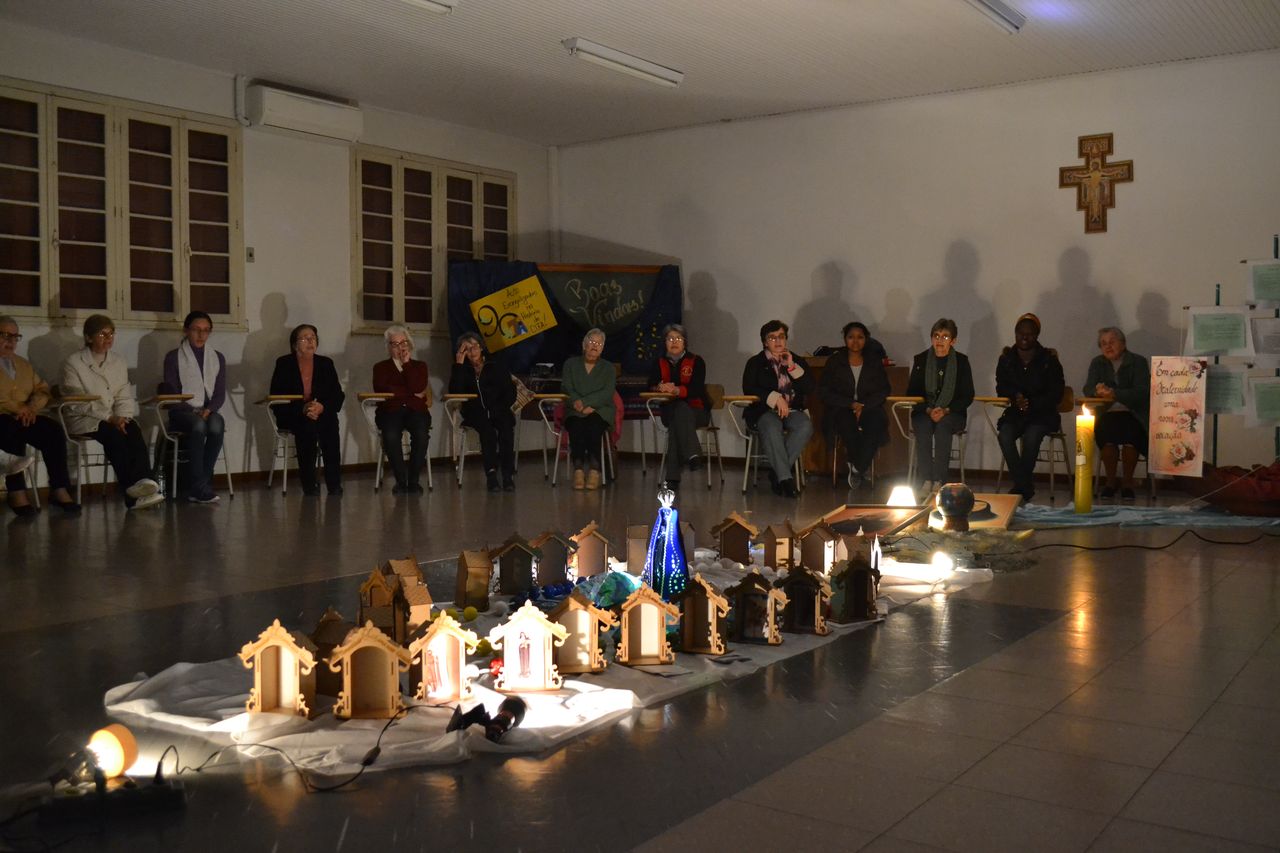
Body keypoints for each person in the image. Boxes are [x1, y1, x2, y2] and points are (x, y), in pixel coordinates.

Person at [60, 314, 163, 510]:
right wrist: (109, 417)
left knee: (133, 429)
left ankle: (145, 483)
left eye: (111, 334)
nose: (108, 338)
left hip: (114, 417)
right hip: (85, 418)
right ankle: (131, 494)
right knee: (113, 436)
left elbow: (123, 394)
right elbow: (76, 401)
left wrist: (123, 417)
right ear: (89, 337)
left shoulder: (118, 361)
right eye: (102, 334)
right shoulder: (73, 362)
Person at [0, 315, 79, 515]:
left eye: (15, 337)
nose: (10, 341)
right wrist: (17, 409)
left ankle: (59, 489)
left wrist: (32, 408)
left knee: (53, 431)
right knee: (11, 429)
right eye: (5, 335)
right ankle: (16, 492)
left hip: (24, 415)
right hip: (3, 417)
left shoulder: (23, 365)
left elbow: (42, 390)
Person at [995, 313, 1065, 503]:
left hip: (1042, 414)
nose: (1024, 337)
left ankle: (1021, 487)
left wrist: (1031, 403)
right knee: (1004, 435)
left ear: (1037, 335)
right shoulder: (1006, 358)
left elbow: (1056, 392)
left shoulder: (1049, 359)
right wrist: (1016, 397)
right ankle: (1024, 486)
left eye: (1030, 334)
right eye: (1020, 333)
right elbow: (1001, 387)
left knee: (1032, 436)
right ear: (1015, 333)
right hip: (1016, 412)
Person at [269, 324, 345, 496]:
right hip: (293, 412)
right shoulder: (284, 363)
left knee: (330, 426)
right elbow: (277, 397)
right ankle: (309, 485)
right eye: (304, 338)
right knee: (307, 428)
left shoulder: (326, 363)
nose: (310, 341)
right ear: (295, 344)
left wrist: (322, 406)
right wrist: (303, 408)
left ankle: (334, 484)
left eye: (313, 338)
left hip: (321, 412)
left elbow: (337, 395)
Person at [161, 311, 227, 504]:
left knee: (217, 424)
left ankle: (200, 485)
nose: (201, 335)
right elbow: (172, 395)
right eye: (196, 330)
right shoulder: (173, 357)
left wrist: (208, 409)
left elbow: (219, 393)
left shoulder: (217, 358)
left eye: (206, 330)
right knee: (198, 425)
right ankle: (200, 486)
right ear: (186, 331)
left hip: (207, 411)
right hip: (182, 412)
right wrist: (194, 410)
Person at [742, 320, 813, 497]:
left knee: (805, 426)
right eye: (772, 338)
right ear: (765, 342)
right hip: (764, 411)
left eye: (781, 336)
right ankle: (786, 479)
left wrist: (791, 366)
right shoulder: (755, 362)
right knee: (772, 426)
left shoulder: (796, 360)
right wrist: (775, 398)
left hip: (793, 410)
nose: (778, 341)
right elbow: (749, 388)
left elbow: (810, 387)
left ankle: (778, 473)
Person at [905, 318, 975, 493]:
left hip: (953, 413)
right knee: (923, 426)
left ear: (953, 341)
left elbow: (967, 396)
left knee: (943, 426)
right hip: (924, 411)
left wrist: (946, 410)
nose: (940, 341)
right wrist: (928, 410)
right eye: (936, 336)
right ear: (931, 338)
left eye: (945, 337)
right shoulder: (921, 360)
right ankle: (925, 479)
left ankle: (939, 480)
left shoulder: (961, 361)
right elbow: (912, 394)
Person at [818, 321, 889, 488]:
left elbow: (884, 389)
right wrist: (851, 404)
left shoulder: (873, 361)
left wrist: (863, 406)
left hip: (869, 407)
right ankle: (860, 466)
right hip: (841, 407)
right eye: (851, 337)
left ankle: (857, 467)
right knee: (846, 423)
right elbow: (824, 391)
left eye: (860, 337)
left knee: (877, 422)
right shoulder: (835, 361)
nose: (855, 341)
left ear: (866, 339)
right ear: (845, 339)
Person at [1085, 326, 1150, 501]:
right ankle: (1110, 483)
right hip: (1107, 414)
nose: (1108, 346)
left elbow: (1142, 392)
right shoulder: (1097, 363)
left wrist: (1114, 393)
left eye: (1112, 342)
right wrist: (1097, 391)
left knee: (1131, 438)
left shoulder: (1138, 362)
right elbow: (1087, 388)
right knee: (1107, 436)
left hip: (1133, 413)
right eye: (1103, 343)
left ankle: (1127, 483)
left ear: (1123, 343)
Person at [449, 332, 516, 492]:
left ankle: (507, 475)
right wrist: (459, 365)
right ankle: (491, 475)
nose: (472, 351)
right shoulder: (462, 369)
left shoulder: (495, 365)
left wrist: (500, 407)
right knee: (488, 433)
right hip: (475, 412)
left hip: (499, 409)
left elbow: (510, 392)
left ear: (481, 347)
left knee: (506, 430)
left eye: (475, 346)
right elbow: (455, 392)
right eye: (467, 349)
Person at [647, 323, 710, 490]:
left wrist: (676, 390)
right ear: (665, 342)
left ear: (685, 342)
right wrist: (659, 387)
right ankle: (693, 454)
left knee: (678, 416)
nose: (674, 342)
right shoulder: (659, 363)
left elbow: (696, 389)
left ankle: (672, 479)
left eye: (678, 338)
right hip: (669, 411)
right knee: (678, 413)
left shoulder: (696, 361)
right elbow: (650, 386)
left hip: (697, 411)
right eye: (670, 339)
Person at [372, 324, 431, 494]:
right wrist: (412, 393)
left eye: (404, 343)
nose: (400, 347)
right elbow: (383, 390)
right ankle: (400, 481)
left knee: (421, 435)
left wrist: (406, 365)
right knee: (390, 436)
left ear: (409, 345)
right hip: (390, 411)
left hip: (416, 410)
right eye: (395, 344)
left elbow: (418, 386)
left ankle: (413, 480)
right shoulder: (380, 367)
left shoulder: (420, 366)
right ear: (388, 347)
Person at [560, 328, 616, 491]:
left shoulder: (608, 368)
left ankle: (594, 470)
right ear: (584, 345)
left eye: (599, 343)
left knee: (593, 426)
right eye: (591, 342)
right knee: (576, 426)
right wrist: (577, 403)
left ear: (602, 348)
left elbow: (607, 393)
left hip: (600, 410)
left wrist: (586, 403)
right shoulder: (570, 364)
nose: (594, 346)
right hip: (574, 409)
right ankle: (578, 470)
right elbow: (566, 387)